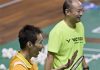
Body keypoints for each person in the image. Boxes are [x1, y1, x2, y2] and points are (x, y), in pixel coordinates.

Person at [45, 0, 89, 70]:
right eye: (78, 11)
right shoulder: (57, 31)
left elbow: (80, 49)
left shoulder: (80, 25)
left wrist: (85, 66)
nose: (81, 13)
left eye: (82, 10)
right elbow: (50, 57)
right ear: (67, 12)